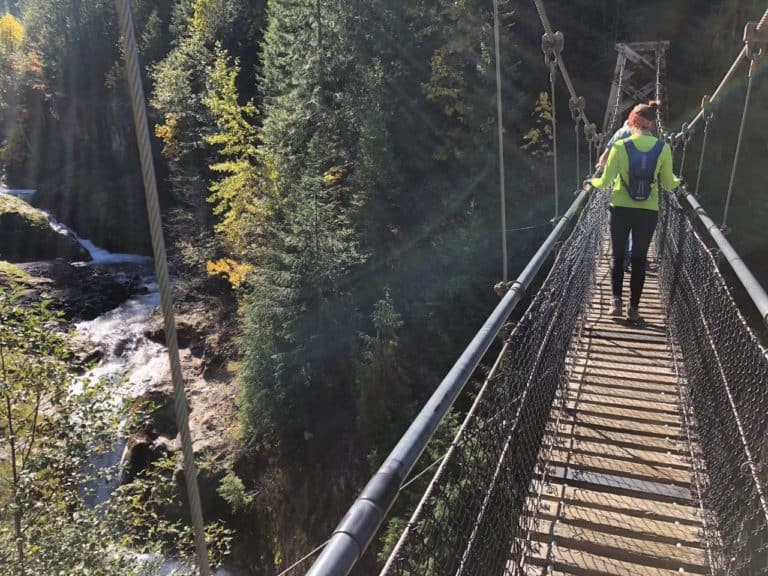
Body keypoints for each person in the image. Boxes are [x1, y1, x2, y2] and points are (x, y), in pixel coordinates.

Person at [584, 101, 680, 323]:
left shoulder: (619, 146)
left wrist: (591, 182)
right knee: (639, 259)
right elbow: (667, 184)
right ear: (652, 125)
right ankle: (634, 309)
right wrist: (678, 182)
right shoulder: (662, 148)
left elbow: (606, 180)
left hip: (620, 208)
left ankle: (615, 302)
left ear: (631, 122)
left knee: (617, 256)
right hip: (648, 212)